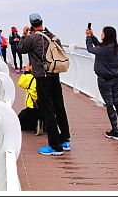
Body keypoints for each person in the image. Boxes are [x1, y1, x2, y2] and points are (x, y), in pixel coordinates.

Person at [18, 13, 71, 156]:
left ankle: (54, 146)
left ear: (31, 24)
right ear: (42, 22)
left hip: (42, 77)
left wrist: (24, 35)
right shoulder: (53, 36)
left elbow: (21, 49)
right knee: (59, 107)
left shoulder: (33, 38)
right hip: (55, 75)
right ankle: (65, 140)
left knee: (48, 110)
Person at [86, 26, 118, 140]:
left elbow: (91, 49)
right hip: (116, 79)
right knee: (116, 102)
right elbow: (100, 45)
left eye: (102, 33)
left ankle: (115, 132)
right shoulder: (115, 46)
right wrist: (92, 36)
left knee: (109, 104)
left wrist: (88, 37)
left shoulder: (103, 49)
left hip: (105, 80)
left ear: (106, 35)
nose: (101, 34)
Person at [16, 64, 40, 131]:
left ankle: (34, 126)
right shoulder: (45, 77)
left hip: (33, 105)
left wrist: (26, 71)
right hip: (44, 105)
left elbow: (20, 83)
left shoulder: (30, 77)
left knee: (22, 118)